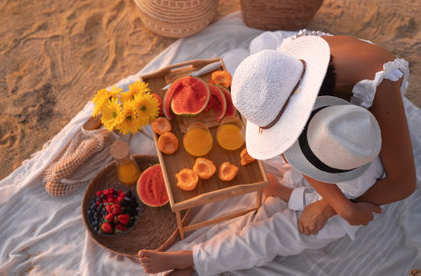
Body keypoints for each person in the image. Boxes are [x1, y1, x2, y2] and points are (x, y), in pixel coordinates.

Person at [139, 34, 416, 274]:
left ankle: (198, 258)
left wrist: (335, 207)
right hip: (329, 152)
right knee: (273, 199)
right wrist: (292, 194)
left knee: (280, 232)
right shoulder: (284, 71)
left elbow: (401, 183)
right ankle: (202, 257)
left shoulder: (376, 92)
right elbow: (301, 150)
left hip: (349, 165)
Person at [138, 95, 385, 275]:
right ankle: (203, 263)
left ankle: (193, 258)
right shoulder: (339, 129)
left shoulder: (359, 177)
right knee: (258, 217)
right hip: (305, 184)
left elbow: (330, 203)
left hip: (326, 217)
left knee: (269, 235)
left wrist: (281, 191)